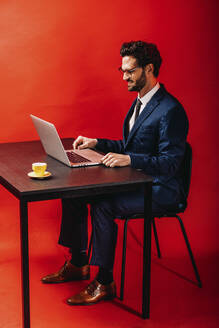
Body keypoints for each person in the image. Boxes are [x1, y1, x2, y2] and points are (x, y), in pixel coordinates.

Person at [41, 41, 189, 305]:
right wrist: (97, 143)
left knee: (103, 204)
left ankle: (104, 282)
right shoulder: (139, 103)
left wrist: (130, 158)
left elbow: (170, 163)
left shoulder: (171, 111)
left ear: (149, 68)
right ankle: (78, 263)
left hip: (161, 188)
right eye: (121, 71)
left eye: (130, 71)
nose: (124, 77)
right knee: (74, 193)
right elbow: (130, 146)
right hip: (136, 180)